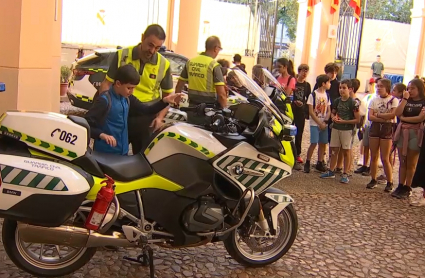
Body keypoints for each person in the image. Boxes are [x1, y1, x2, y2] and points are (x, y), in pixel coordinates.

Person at [99, 24, 174, 154]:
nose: (152, 51)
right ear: (142, 38)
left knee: (142, 160)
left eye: (157, 47)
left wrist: (160, 118)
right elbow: (106, 84)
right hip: (121, 114)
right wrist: (105, 109)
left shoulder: (164, 64)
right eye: (150, 45)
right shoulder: (122, 55)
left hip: (146, 119)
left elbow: (167, 96)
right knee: (113, 155)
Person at [85, 65, 182, 155]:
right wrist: (101, 135)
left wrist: (164, 101)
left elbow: (146, 110)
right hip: (105, 152)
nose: (132, 91)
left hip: (122, 152)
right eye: (129, 88)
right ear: (118, 83)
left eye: (134, 88)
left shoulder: (127, 98)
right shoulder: (104, 100)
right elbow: (87, 124)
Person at [175, 36, 227, 125]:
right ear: (216, 48)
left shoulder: (190, 62)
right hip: (208, 112)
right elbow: (221, 94)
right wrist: (225, 110)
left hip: (191, 109)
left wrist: (176, 102)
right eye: (219, 49)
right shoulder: (214, 65)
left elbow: (179, 85)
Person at [320, 79, 360, 183]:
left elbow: (357, 119)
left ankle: (345, 173)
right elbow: (333, 112)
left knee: (346, 151)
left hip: (347, 130)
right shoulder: (337, 101)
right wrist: (333, 117)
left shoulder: (353, 103)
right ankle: (331, 170)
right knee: (334, 150)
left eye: (344, 88)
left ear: (350, 89)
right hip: (336, 128)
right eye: (340, 88)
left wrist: (345, 121)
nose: (341, 90)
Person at [392, 79, 425, 198]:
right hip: (403, 132)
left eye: (413, 88)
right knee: (403, 161)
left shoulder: (423, 102)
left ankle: (408, 186)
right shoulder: (405, 100)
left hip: (415, 133)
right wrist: (405, 99)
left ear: (419, 89)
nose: (410, 91)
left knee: (411, 162)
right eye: (409, 88)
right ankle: (400, 185)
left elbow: (420, 118)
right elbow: (397, 113)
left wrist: (404, 119)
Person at [366, 78, 399, 191]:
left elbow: (393, 115)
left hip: (387, 129)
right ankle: (373, 178)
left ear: (387, 88)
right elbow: (370, 116)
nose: (378, 88)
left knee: (385, 157)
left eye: (381, 86)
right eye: (377, 86)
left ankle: (390, 181)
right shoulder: (374, 100)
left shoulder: (393, 100)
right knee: (373, 155)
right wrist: (384, 117)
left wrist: (378, 115)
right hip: (375, 128)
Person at [304, 74, 331, 173]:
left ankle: (320, 161)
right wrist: (320, 123)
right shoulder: (313, 95)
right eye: (328, 82)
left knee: (323, 143)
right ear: (323, 83)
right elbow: (311, 111)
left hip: (323, 123)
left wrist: (325, 121)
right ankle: (308, 161)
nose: (330, 84)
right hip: (315, 123)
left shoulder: (327, 95)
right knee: (314, 142)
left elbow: (329, 110)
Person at [292, 64, 311, 166]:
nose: (305, 73)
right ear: (299, 71)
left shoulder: (307, 85)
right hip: (292, 109)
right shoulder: (293, 82)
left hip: (301, 111)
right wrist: (294, 101)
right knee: (290, 131)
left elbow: (308, 98)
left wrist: (305, 107)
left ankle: (297, 153)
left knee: (299, 132)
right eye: (303, 71)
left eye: (306, 71)